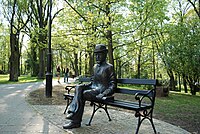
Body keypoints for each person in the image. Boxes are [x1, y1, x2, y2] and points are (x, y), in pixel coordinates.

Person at [63, 44, 116, 129]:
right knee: (78, 87)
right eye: (96, 54)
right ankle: (73, 114)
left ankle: (75, 120)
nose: (97, 57)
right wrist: (83, 85)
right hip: (93, 88)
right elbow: (92, 82)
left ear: (105, 54)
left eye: (100, 54)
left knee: (84, 94)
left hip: (101, 91)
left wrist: (104, 94)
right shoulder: (95, 67)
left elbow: (113, 85)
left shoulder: (109, 67)